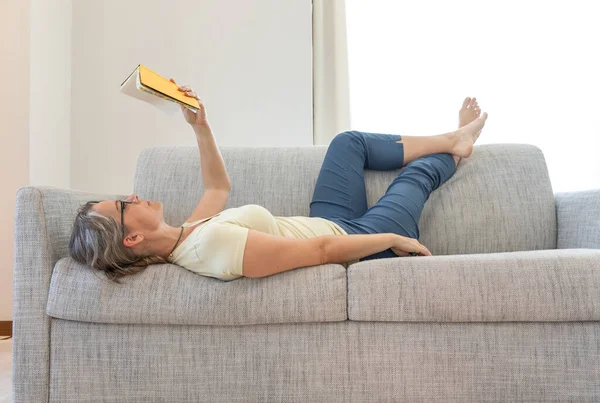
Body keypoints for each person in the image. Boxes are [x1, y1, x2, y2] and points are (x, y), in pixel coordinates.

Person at [68, 79, 488, 283]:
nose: (134, 196)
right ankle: (456, 147)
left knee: (347, 143)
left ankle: (452, 137)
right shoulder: (210, 247)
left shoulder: (188, 234)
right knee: (417, 175)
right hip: (355, 241)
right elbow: (321, 251)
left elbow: (217, 188)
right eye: (124, 204)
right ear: (132, 240)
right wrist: (391, 240)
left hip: (329, 220)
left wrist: (200, 125)